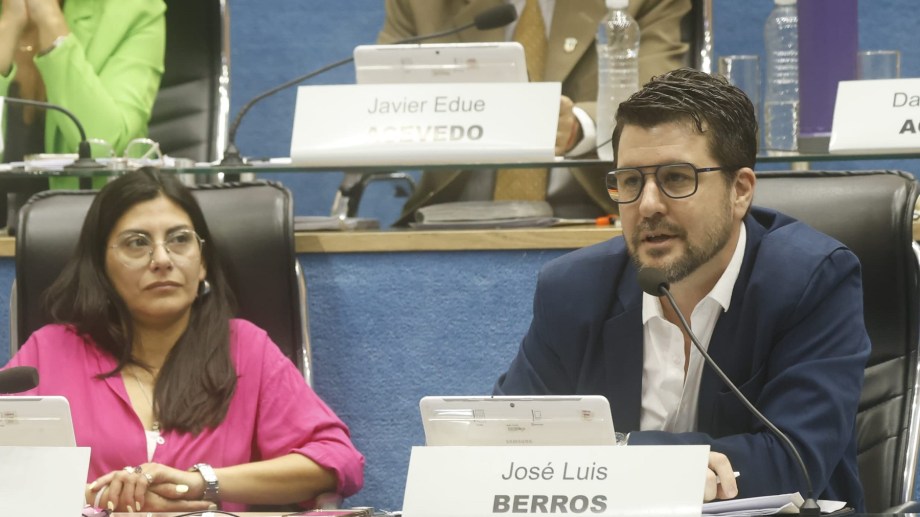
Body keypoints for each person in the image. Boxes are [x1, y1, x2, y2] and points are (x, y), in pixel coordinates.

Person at [493, 68, 869, 509]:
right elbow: (510, 437)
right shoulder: (573, 289)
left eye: (676, 178)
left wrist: (609, 455)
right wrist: (655, 462)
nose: (648, 205)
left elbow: (793, 461)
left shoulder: (812, 281)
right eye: (630, 181)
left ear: (740, 191)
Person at [2, 168, 365, 512]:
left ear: (202, 262)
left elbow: (338, 460)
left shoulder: (245, 348)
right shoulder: (49, 353)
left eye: (179, 240)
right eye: (137, 243)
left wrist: (201, 482)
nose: (162, 259)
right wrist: (98, 497)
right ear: (100, 267)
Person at [379, 0, 691, 225]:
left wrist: (579, 126)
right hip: (447, 219)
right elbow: (381, 99)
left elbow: (659, 99)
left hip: (594, 216)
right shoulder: (423, 5)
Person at [0, 0, 165, 227]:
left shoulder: (134, 10)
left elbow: (103, 147)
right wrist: (8, 25)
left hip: (91, 232)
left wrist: (50, 21)